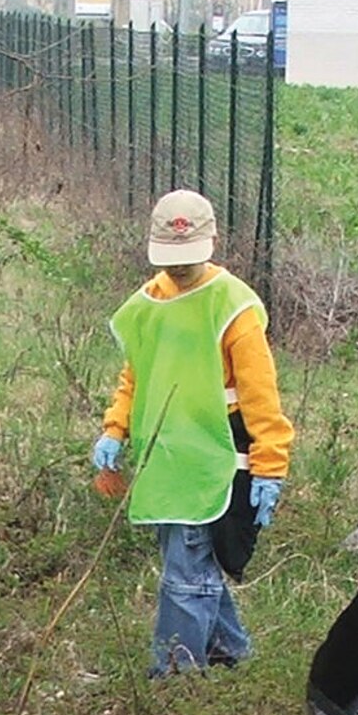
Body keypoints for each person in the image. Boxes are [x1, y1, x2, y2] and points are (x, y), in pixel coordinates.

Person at [93, 189, 294, 678]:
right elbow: (136, 375)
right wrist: (114, 429)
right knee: (188, 557)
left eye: (189, 259)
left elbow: (260, 395)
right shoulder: (147, 305)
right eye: (170, 259)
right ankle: (231, 652)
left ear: (212, 242)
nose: (179, 269)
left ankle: (175, 675)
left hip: (215, 453)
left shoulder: (233, 307)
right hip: (165, 456)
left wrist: (270, 464)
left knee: (187, 567)